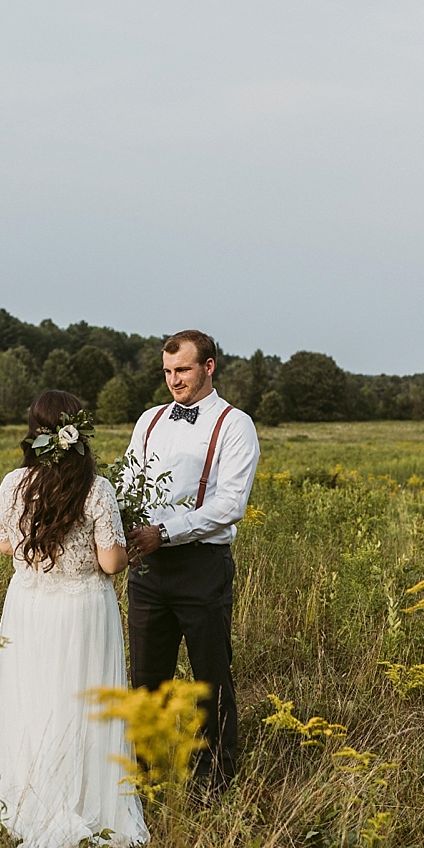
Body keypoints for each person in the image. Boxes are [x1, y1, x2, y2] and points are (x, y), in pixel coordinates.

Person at [0, 391, 148, 848]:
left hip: (29, 605)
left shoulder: (13, 484)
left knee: (30, 701)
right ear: (78, 433)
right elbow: (110, 562)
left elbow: (6, 546)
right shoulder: (97, 489)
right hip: (83, 609)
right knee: (82, 701)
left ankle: (21, 801)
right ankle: (86, 798)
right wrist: (127, 545)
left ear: (35, 430)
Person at [124, 330, 260, 795]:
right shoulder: (148, 420)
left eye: (182, 369)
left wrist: (164, 532)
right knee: (146, 679)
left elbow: (230, 505)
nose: (173, 380)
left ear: (208, 367)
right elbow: (128, 481)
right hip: (146, 568)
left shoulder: (235, 424)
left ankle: (216, 781)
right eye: (167, 371)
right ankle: (147, 777)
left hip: (202, 565)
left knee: (210, 679)